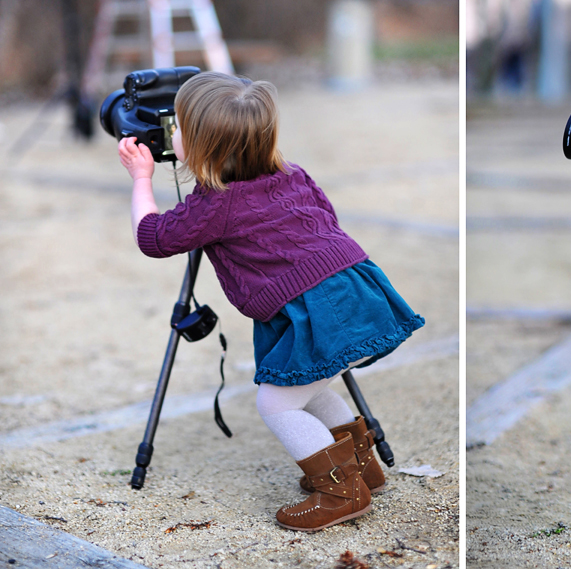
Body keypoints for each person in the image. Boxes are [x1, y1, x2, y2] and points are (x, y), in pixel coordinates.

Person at [117, 71, 425, 532]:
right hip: (357, 292)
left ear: (201, 147)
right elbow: (327, 220)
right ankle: (362, 467)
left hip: (317, 310)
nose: (171, 134)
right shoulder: (293, 174)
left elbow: (153, 237)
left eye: (177, 128)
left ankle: (341, 490)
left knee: (276, 404)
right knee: (311, 384)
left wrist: (141, 178)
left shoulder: (215, 204)